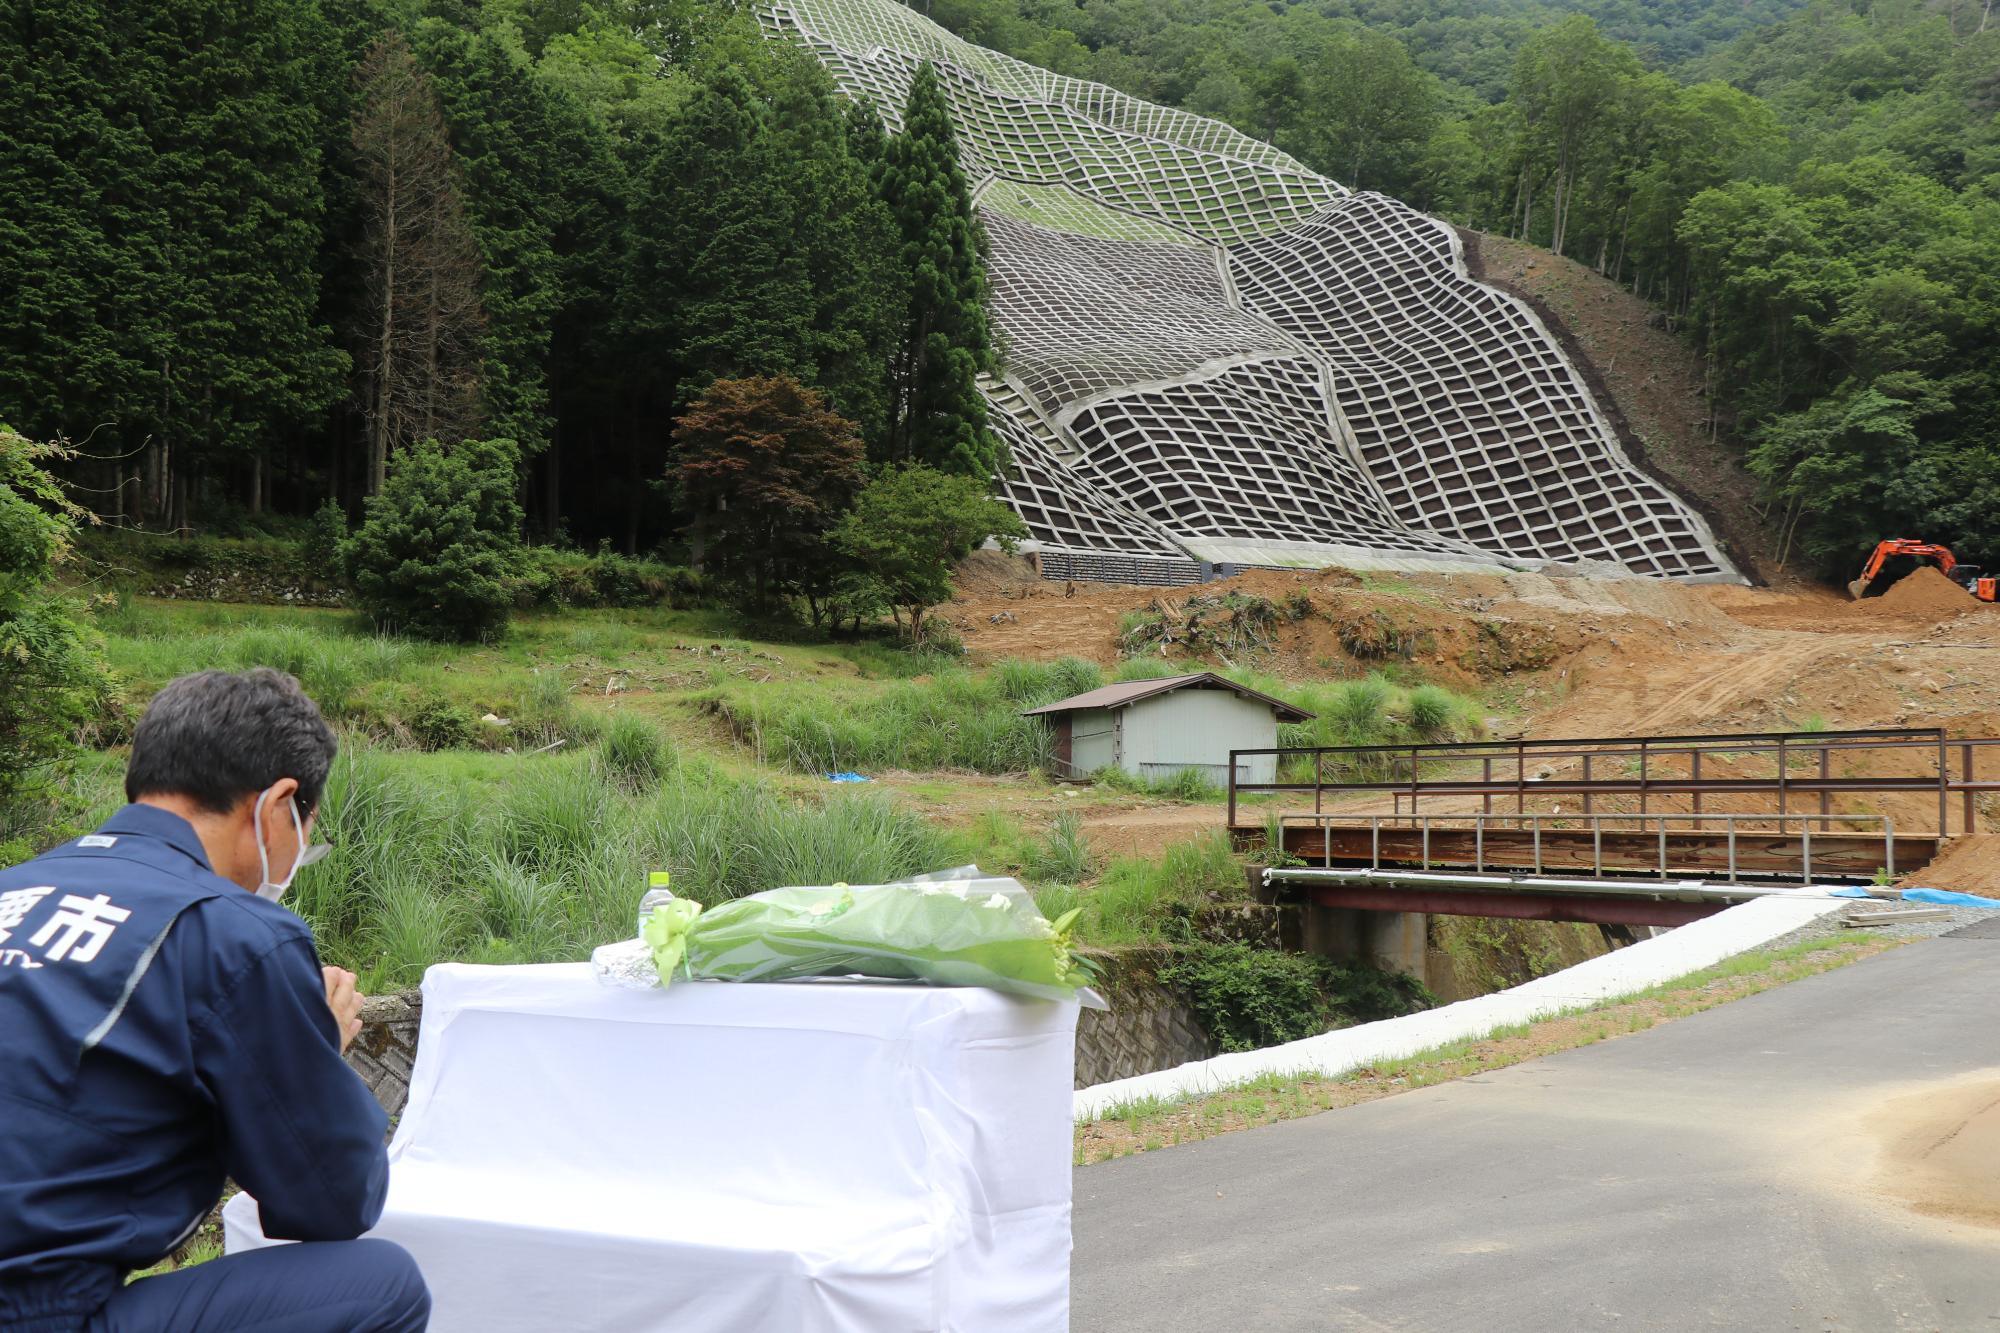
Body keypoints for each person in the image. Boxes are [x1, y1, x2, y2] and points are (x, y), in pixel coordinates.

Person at [0, 669, 431, 1332]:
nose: (297, 856)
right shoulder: (234, 931)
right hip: (34, 1310)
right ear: (279, 803)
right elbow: (334, 1199)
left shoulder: (17, 888)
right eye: (305, 834)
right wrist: (316, 1040)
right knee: (383, 1283)